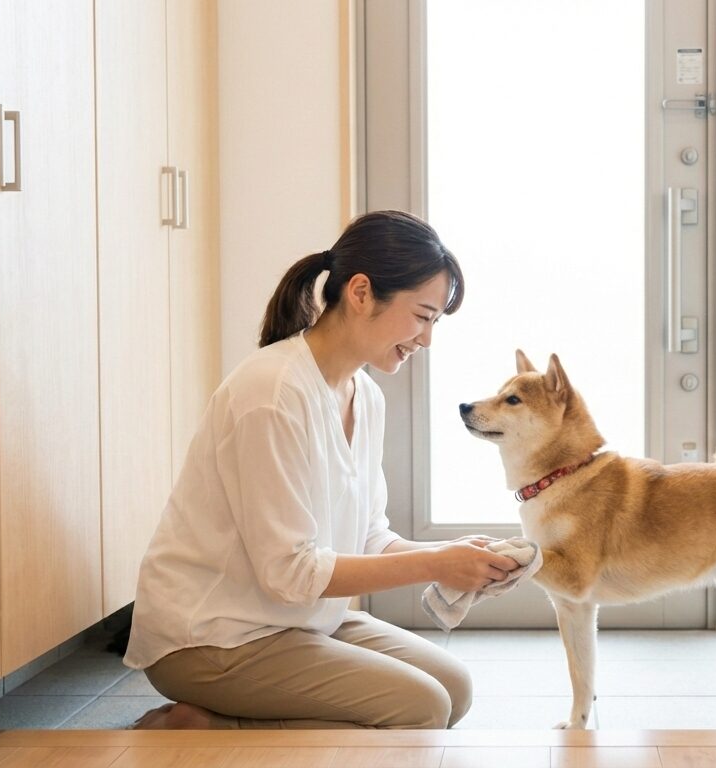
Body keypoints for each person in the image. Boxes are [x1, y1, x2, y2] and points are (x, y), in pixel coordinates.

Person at [124, 210, 519, 730]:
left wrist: (457, 557)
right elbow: (289, 573)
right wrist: (438, 565)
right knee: (421, 708)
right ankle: (208, 729)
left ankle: (226, 724)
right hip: (213, 636)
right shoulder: (272, 393)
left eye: (434, 322)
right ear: (360, 293)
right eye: (422, 316)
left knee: (454, 690)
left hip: (296, 623)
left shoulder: (366, 395)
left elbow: (371, 538)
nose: (426, 340)